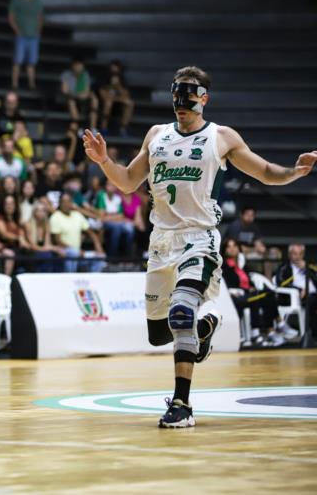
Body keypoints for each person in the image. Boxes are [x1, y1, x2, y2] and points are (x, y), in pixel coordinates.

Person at [83, 65, 317, 428]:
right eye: (177, 98)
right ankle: (204, 330)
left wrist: (294, 172)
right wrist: (103, 161)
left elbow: (265, 171)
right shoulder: (157, 135)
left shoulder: (221, 137)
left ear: (204, 100)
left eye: (189, 100)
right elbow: (129, 181)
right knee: (160, 333)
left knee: (181, 312)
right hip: (161, 243)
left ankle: (181, 404)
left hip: (199, 238)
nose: (182, 106)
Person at [222, 237, 286, 346]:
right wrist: (248, 289)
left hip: (247, 293)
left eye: (235, 246)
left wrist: (251, 287)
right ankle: (263, 331)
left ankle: (273, 328)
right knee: (255, 298)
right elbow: (230, 284)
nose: (232, 249)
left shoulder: (241, 263)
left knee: (268, 294)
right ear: (225, 250)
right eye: (229, 247)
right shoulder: (225, 265)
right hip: (236, 295)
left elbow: (248, 278)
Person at [274, 243, 317, 340]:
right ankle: (312, 333)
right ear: (289, 254)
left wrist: (307, 269)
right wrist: (299, 290)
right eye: (294, 254)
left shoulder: (309, 265)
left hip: (314, 293)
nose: (297, 257)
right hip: (298, 297)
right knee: (312, 301)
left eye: (300, 254)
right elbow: (280, 282)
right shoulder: (285, 267)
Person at [8, 0, 43, 90]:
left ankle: (32, 84)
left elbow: (40, 18)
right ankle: (14, 84)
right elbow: (11, 17)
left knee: (31, 63)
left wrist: (38, 31)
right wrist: (17, 31)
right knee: (17, 61)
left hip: (34, 37)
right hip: (21, 36)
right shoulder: (15, 1)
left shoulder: (37, 1)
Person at [61, 57, 99, 131]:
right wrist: (77, 95)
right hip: (70, 98)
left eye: (80, 65)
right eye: (77, 65)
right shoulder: (66, 75)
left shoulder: (85, 75)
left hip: (82, 99)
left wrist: (85, 95)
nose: (78, 67)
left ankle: (93, 129)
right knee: (72, 102)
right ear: (72, 65)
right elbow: (64, 91)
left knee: (94, 100)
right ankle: (77, 126)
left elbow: (87, 90)